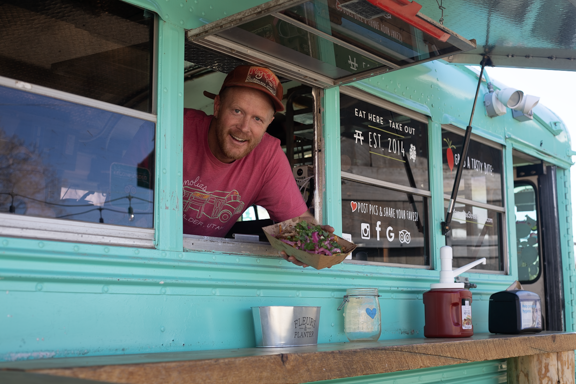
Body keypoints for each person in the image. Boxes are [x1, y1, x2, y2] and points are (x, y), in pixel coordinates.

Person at [182, 65, 333, 267]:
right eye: (237, 111)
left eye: (257, 119)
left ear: (269, 123)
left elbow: (297, 220)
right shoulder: (178, 126)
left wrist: (310, 244)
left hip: (203, 261)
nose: (244, 128)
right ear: (217, 106)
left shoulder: (268, 156)